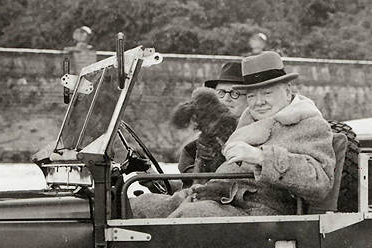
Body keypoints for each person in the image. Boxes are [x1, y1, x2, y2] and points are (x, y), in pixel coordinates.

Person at [132, 51, 335, 218]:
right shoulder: (246, 125)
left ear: (288, 91)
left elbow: (320, 181)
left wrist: (261, 157)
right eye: (252, 95)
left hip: (255, 213)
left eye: (267, 93)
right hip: (214, 198)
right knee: (133, 206)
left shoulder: (310, 125)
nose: (259, 102)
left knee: (190, 216)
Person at [174, 61, 247, 186]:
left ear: (249, 97)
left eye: (235, 93)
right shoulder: (196, 145)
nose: (226, 98)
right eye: (221, 92)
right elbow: (189, 184)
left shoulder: (254, 134)